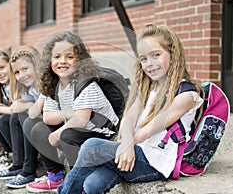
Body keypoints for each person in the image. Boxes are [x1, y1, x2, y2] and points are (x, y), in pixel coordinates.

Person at [56, 24, 205, 194]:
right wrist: (126, 144)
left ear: (173, 54)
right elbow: (128, 119)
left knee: (91, 146)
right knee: (92, 184)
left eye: (156, 55)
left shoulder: (186, 95)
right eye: (144, 58)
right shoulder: (148, 90)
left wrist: (127, 145)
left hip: (155, 162)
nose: (150, 64)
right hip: (134, 151)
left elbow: (150, 128)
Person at [24, 31, 119, 193]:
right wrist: (69, 113)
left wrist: (57, 134)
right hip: (79, 131)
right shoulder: (54, 85)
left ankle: (79, 181)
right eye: (57, 57)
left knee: (67, 135)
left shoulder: (85, 84)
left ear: (80, 60)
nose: (62, 61)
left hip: (102, 135)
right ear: (49, 61)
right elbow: (47, 117)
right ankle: (56, 176)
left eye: (69, 56)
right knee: (37, 127)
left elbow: (81, 120)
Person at [0, 45, 46, 188]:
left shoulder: (46, 84)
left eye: (25, 69)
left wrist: (26, 106)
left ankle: (28, 171)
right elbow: (21, 103)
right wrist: (22, 103)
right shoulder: (31, 87)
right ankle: (18, 164)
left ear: (37, 65)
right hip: (45, 121)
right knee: (15, 117)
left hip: (56, 124)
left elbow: (37, 111)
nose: (21, 75)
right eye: (16, 72)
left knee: (26, 119)